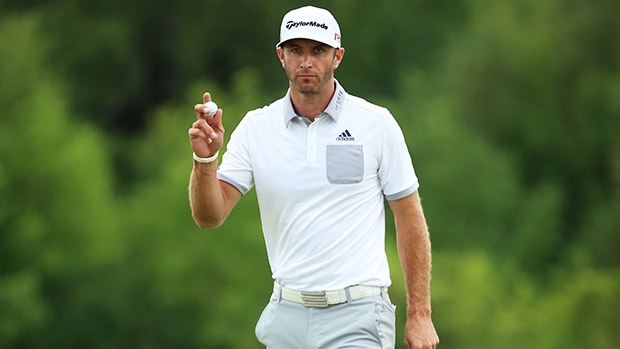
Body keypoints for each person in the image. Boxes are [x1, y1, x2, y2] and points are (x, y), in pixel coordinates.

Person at [188, 5, 439, 349]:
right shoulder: (256, 127)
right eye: (296, 50)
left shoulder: (376, 124)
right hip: (285, 317)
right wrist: (205, 159)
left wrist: (420, 314)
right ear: (281, 56)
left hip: (358, 315)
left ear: (337, 56)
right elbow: (209, 216)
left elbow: (409, 218)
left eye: (318, 50)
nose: (307, 61)